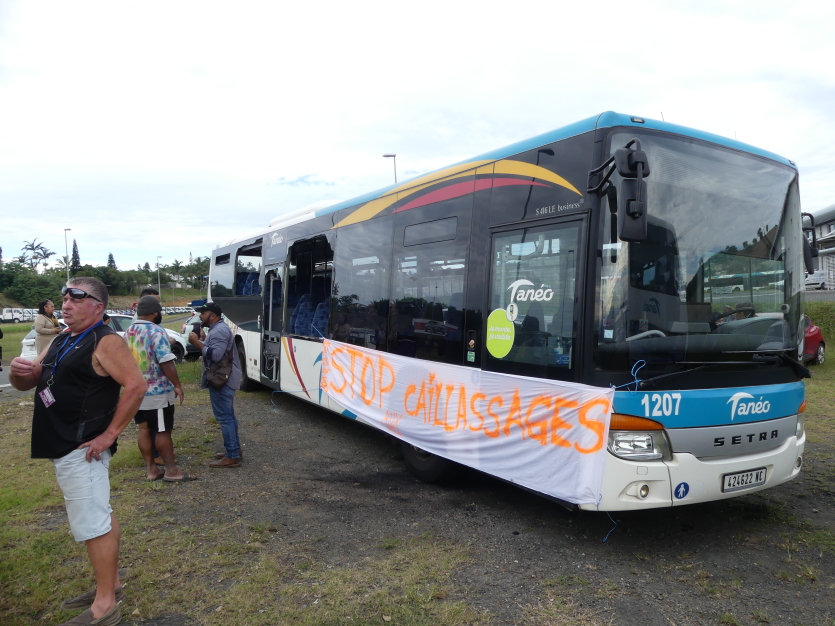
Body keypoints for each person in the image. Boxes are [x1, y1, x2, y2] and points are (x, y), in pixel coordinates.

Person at [8, 277, 146, 626]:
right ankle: (111, 586)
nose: (66, 304)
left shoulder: (106, 340)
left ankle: (105, 607)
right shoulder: (63, 337)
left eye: (76, 298)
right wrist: (17, 373)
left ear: (98, 307)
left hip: (82, 447)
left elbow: (136, 385)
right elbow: (29, 380)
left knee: (92, 523)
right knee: (99, 513)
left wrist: (110, 434)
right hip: (62, 441)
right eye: (64, 298)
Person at [126, 296, 192, 482]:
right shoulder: (156, 330)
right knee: (162, 431)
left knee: (144, 429)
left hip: (136, 390)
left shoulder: (130, 330)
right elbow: (166, 361)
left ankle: (151, 469)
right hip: (157, 391)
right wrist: (177, 385)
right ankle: (172, 471)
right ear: (155, 313)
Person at [188, 302, 243, 468]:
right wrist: (204, 341)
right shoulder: (218, 329)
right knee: (228, 416)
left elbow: (217, 355)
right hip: (223, 378)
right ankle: (234, 451)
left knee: (225, 417)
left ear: (213, 315)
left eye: (203, 313)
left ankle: (232, 455)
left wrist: (197, 343)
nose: (200, 316)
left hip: (222, 380)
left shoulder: (219, 330)